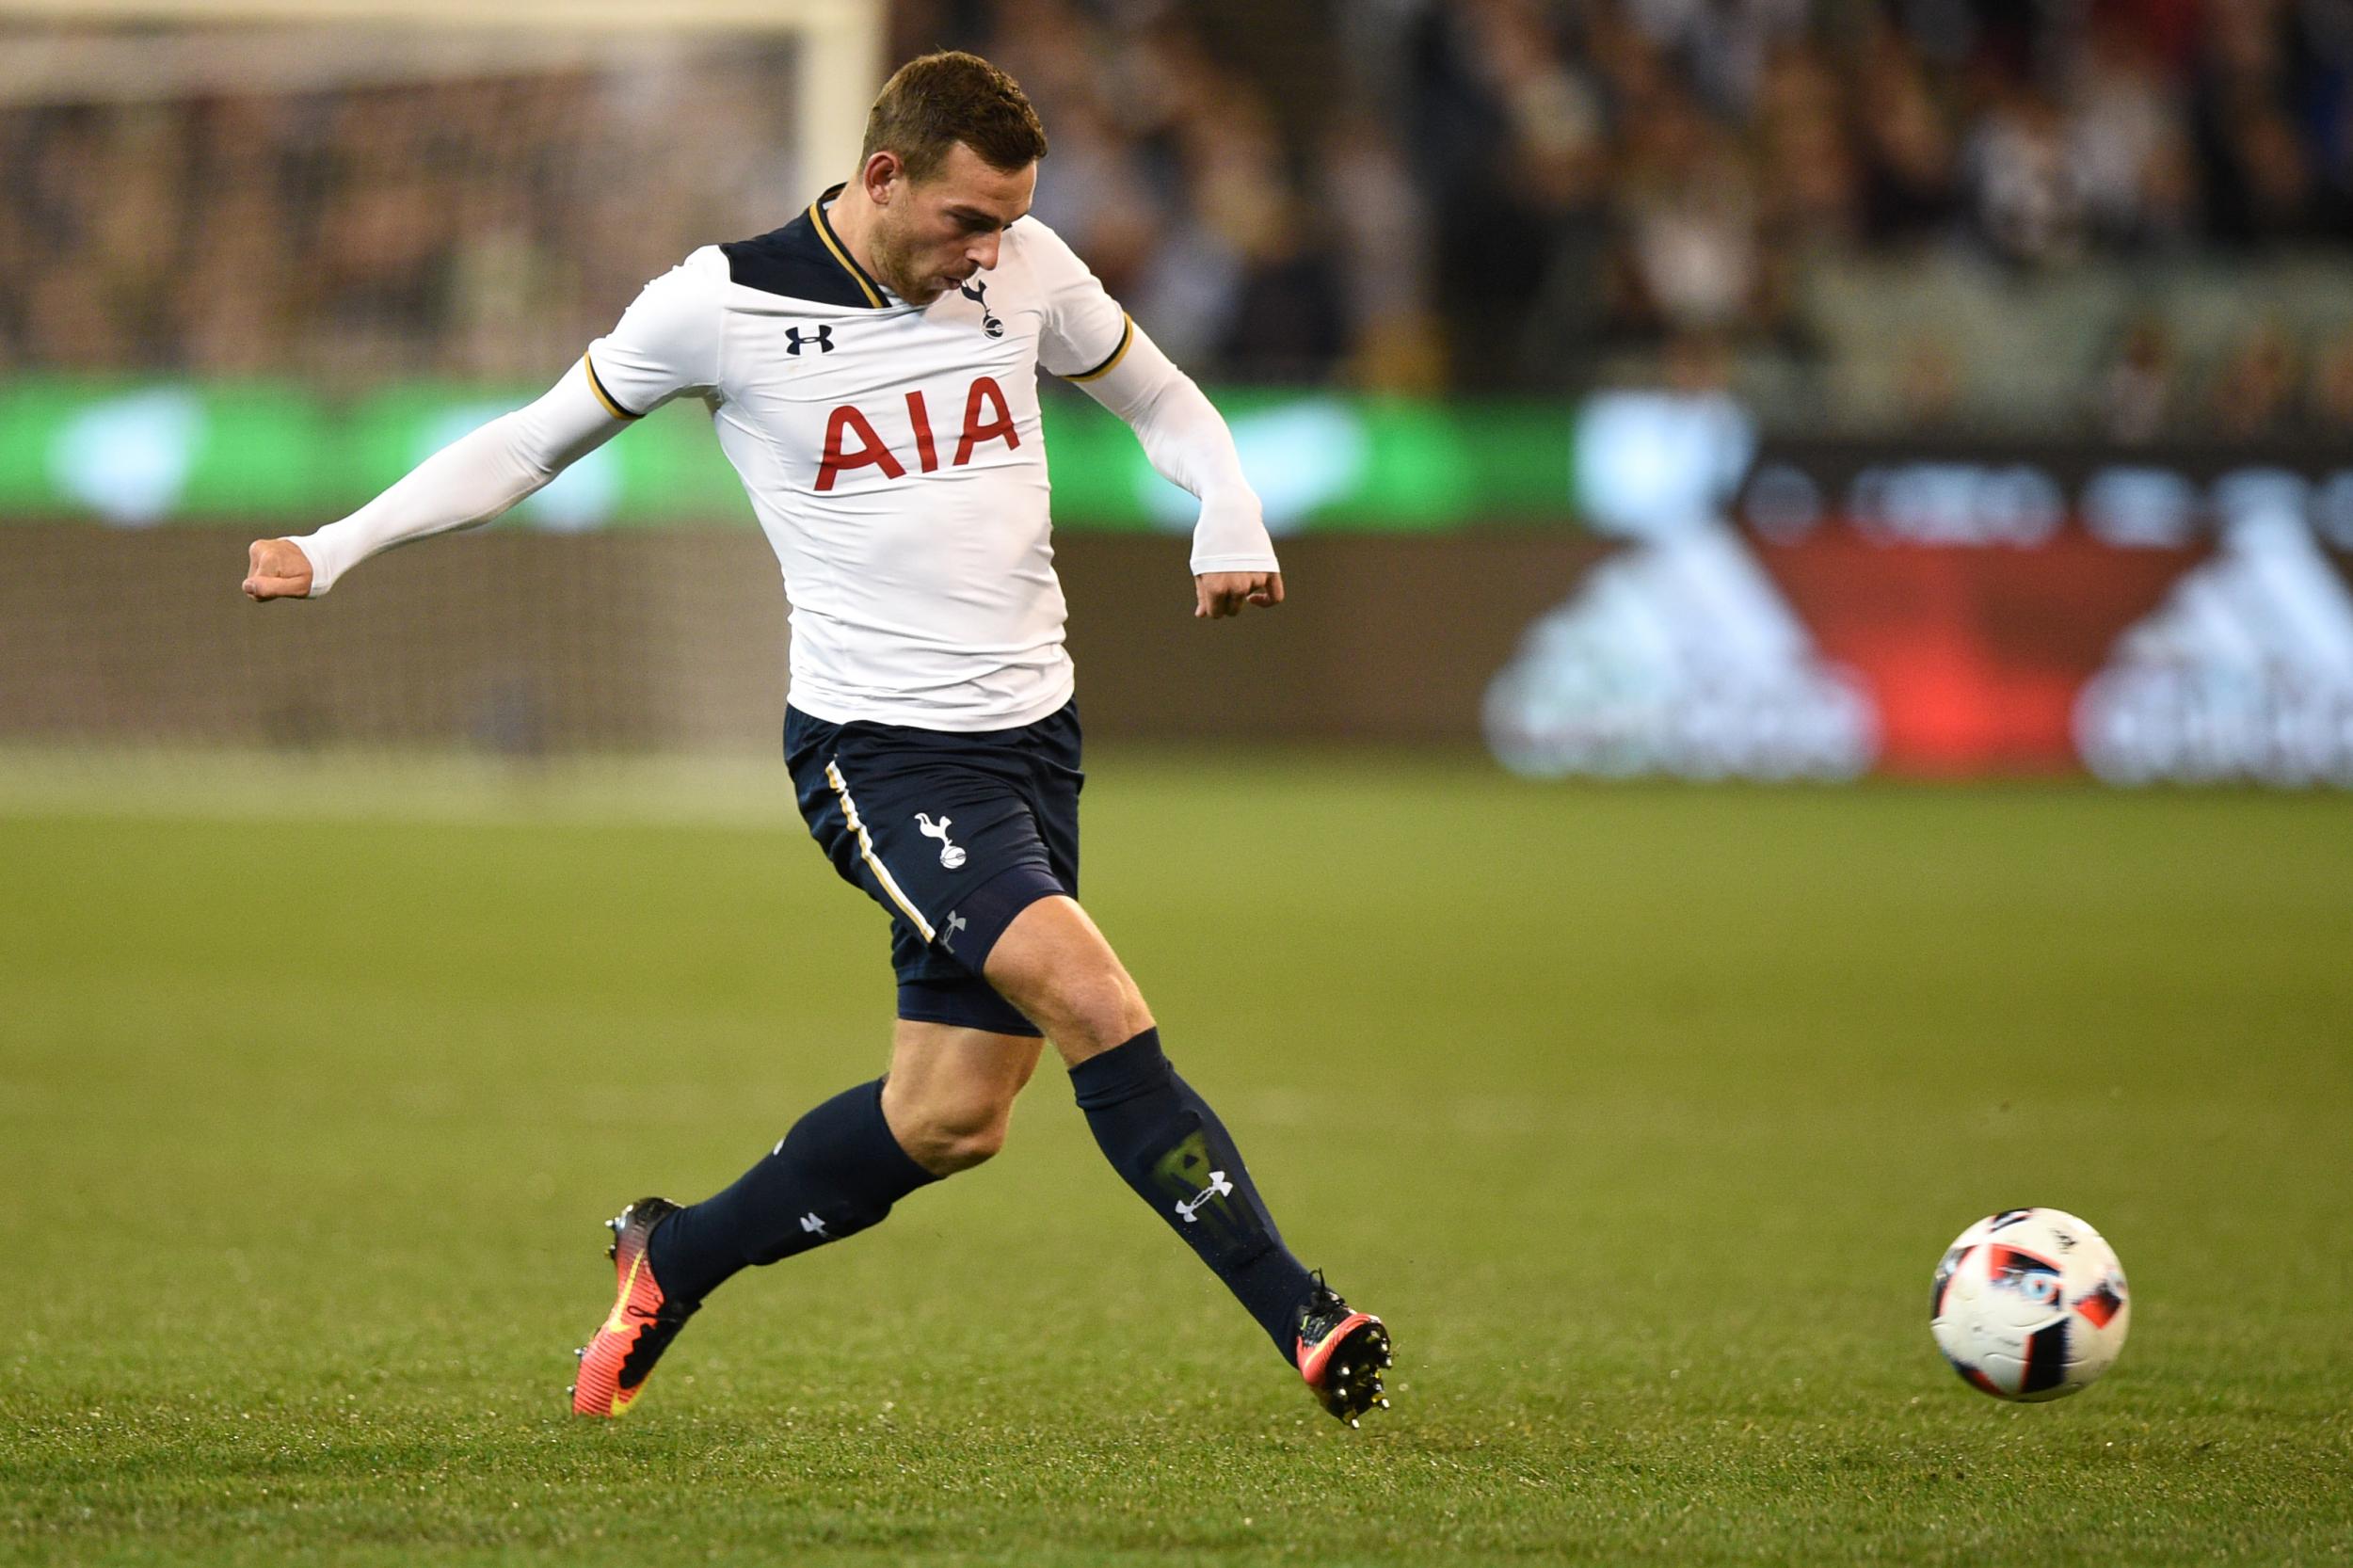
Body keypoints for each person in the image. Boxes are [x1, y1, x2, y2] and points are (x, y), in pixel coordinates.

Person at [243, 51, 1390, 1428]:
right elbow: (529, 444)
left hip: (1032, 737)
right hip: (879, 749)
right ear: (885, 175)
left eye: (1012, 220)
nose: (992, 248)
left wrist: (1230, 507)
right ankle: (1306, 1315)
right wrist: (335, 543)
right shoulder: (716, 305)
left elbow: (1160, 398)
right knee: (1095, 1002)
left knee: (953, 1117)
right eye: (969, 219)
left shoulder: (1023, 266)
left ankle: (674, 1256)